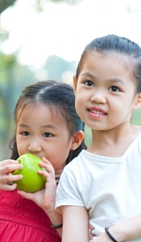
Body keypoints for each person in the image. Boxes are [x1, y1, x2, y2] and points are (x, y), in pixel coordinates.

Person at [0, 80, 86, 242]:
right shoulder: (9, 181)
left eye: (47, 134)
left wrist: (51, 208)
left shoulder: (74, 190)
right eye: (25, 133)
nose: (33, 146)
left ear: (75, 140)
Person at [56, 34, 141, 242]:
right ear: (75, 85)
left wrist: (115, 234)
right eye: (89, 83)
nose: (97, 97)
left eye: (114, 89)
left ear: (137, 99)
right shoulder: (75, 174)